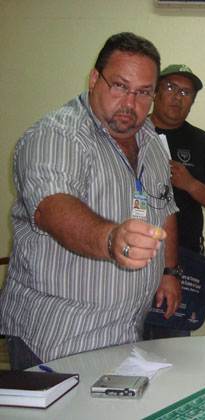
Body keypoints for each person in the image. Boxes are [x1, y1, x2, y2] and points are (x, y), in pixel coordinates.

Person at [0, 32, 182, 370]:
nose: (131, 103)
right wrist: (112, 239)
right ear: (95, 79)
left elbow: (164, 208)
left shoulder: (151, 142)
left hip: (125, 331)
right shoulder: (56, 134)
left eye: (143, 92)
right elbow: (52, 209)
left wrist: (169, 272)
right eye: (119, 86)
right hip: (58, 335)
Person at [144, 64, 205, 339]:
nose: (177, 96)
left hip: (183, 260)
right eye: (170, 87)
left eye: (187, 92)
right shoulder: (132, 131)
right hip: (133, 257)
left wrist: (190, 184)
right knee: (124, 346)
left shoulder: (202, 142)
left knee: (173, 351)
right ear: (155, 91)